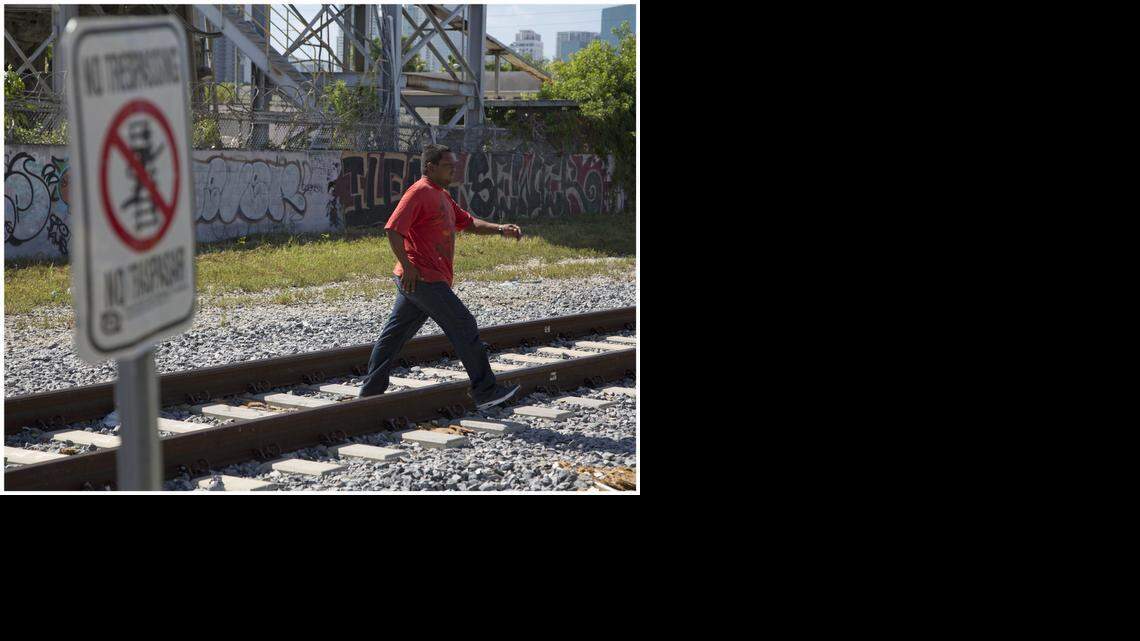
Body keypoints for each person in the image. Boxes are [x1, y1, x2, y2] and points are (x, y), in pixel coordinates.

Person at [359, 144, 524, 408]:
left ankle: (369, 395)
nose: (453, 169)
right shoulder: (419, 192)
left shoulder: (442, 195)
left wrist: (500, 229)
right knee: (464, 324)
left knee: (394, 337)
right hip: (422, 279)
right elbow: (392, 229)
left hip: (421, 278)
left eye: (454, 165)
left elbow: (468, 222)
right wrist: (408, 266)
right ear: (430, 167)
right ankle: (485, 391)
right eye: (448, 165)